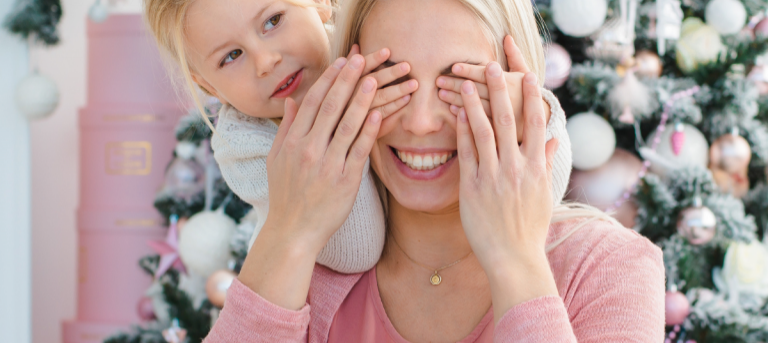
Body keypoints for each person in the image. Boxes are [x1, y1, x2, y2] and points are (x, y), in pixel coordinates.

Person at [157, 0, 665, 343]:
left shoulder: (606, 266)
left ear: (520, 89)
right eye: (390, 77)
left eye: (457, 82)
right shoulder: (313, 266)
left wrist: (517, 261)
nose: (421, 122)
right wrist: (289, 229)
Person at [143, 0, 559, 273]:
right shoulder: (246, 147)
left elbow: (550, 190)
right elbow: (356, 250)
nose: (265, 61)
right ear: (210, 87)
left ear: (321, 3)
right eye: (230, 56)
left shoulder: (376, 39)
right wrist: (345, 126)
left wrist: (530, 118)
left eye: (273, 21)